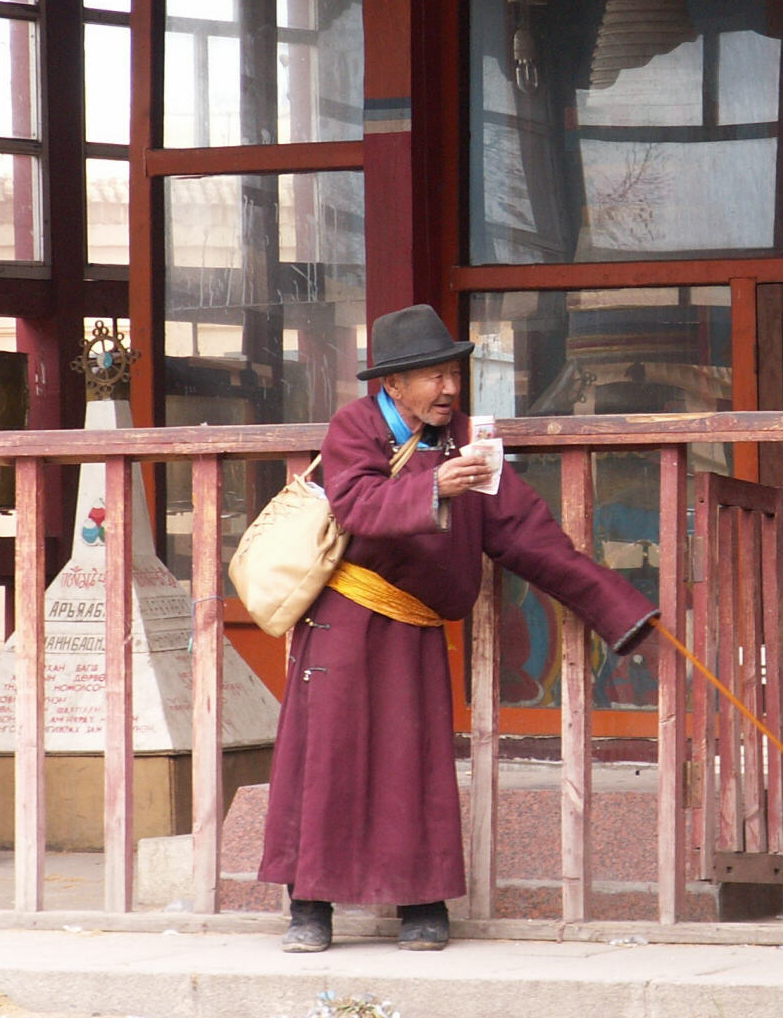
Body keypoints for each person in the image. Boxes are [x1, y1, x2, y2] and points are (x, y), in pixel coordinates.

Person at [257, 304, 657, 953]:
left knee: (414, 764)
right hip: (342, 619)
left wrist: (619, 607)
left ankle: (422, 903)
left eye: (453, 373)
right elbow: (354, 502)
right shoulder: (353, 427)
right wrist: (434, 486)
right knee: (326, 759)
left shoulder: (472, 439)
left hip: (414, 629)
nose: (448, 388)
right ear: (392, 384)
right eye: (432, 375)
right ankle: (310, 906)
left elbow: (526, 535)